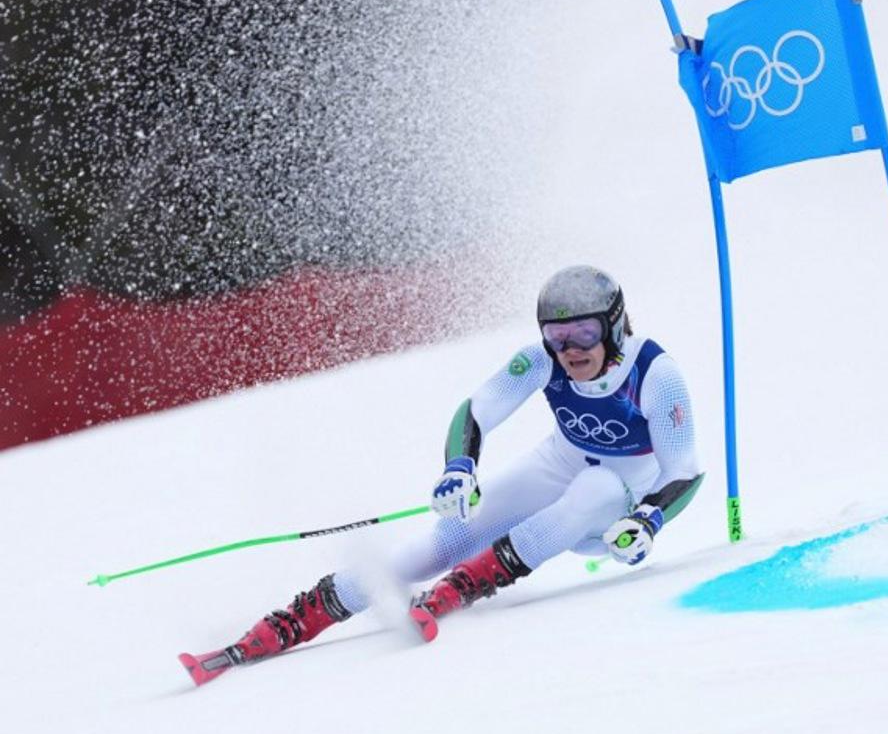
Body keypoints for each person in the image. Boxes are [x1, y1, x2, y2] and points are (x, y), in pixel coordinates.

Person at [180, 265, 703, 685]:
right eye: (557, 336)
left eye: (584, 333)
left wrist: (648, 521)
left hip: (621, 496)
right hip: (560, 462)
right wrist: (460, 469)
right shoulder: (541, 360)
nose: (570, 351)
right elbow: (477, 410)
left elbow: (684, 469)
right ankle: (292, 621)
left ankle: (456, 591)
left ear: (612, 325)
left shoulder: (656, 374)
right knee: (435, 546)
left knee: (592, 491)